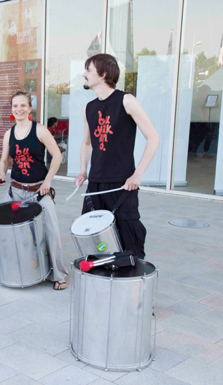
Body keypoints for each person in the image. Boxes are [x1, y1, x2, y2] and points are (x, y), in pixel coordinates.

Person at [74, 54, 159, 259]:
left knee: (129, 237)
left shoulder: (126, 100)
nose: (84, 74)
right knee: (94, 237)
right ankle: (102, 277)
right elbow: (87, 143)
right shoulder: (90, 108)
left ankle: (133, 280)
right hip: (95, 184)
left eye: (88, 70)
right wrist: (83, 170)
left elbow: (153, 138)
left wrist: (137, 175)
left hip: (122, 184)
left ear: (103, 74)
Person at [0, 91, 68, 290]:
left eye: (22, 105)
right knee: (12, 232)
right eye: (15, 106)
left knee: (51, 232)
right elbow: (4, 160)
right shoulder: (9, 134)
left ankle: (58, 274)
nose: (18, 109)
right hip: (16, 190)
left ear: (29, 108)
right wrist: (2, 174)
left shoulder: (40, 130)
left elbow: (57, 156)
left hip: (39, 190)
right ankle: (21, 268)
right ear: (11, 109)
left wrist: (47, 181)